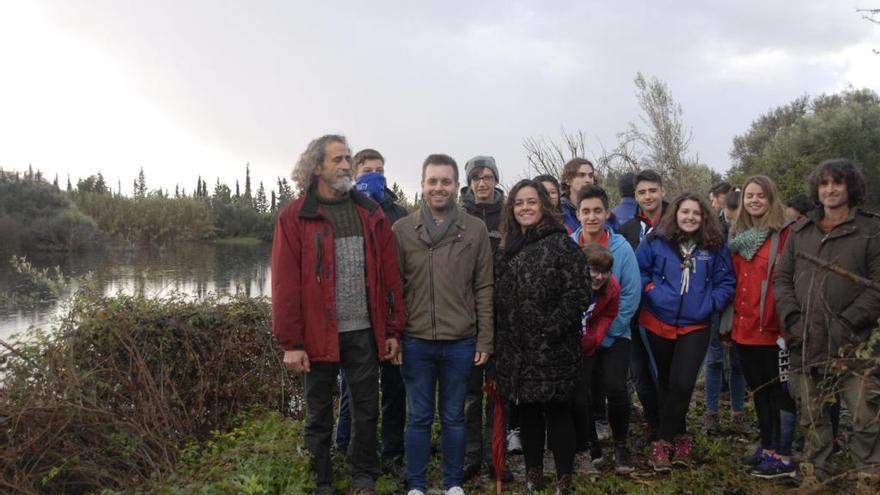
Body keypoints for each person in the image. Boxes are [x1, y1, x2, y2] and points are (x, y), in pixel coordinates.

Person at [271, 135, 405, 495]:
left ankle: (363, 475)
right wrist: (292, 342)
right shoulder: (295, 216)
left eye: (348, 159)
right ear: (317, 167)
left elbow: (390, 277)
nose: (346, 165)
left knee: (366, 409)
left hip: (363, 331)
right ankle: (321, 480)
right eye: (338, 160)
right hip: (316, 336)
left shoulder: (371, 213)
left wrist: (392, 330)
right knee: (318, 415)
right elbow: (284, 286)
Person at [774, 159, 880, 490]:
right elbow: (782, 278)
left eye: (837, 183)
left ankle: (869, 476)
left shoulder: (870, 230)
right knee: (812, 413)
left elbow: (877, 286)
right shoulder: (800, 231)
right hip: (806, 338)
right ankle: (815, 474)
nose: (829, 189)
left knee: (865, 414)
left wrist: (849, 321)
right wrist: (792, 318)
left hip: (856, 343)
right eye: (823, 184)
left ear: (850, 187)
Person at [394, 154, 494, 495]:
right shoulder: (403, 230)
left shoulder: (475, 229)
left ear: (456, 186)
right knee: (418, 416)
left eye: (446, 181)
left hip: (461, 340)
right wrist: (393, 336)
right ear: (422, 185)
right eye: (432, 181)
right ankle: (417, 485)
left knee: (454, 416)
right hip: (416, 340)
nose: (439, 188)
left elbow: (484, 286)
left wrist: (485, 340)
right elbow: (393, 290)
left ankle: (453, 483)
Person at [492, 179, 591, 495]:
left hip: (553, 347)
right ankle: (534, 475)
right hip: (516, 348)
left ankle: (564, 480)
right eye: (519, 203)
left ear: (544, 206)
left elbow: (579, 292)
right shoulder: (506, 250)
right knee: (529, 413)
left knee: (558, 412)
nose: (525, 208)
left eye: (531, 201)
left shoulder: (562, 244)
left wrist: (552, 328)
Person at [636, 192, 735, 472]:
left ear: (704, 217)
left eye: (696, 213)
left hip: (696, 324)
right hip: (658, 320)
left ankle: (662, 443)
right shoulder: (656, 241)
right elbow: (639, 270)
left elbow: (726, 281)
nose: (690, 217)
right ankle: (681, 438)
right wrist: (653, 292)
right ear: (675, 215)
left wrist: (710, 303)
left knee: (682, 383)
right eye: (685, 212)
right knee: (666, 382)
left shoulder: (715, 247)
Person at [335, 148, 409, 478]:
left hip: (392, 318)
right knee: (354, 390)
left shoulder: (399, 214)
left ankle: (392, 451)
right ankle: (346, 447)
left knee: (395, 389)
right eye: (367, 170)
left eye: (379, 169)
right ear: (354, 171)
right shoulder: (342, 209)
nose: (374, 174)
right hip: (357, 319)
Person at [727, 175, 798, 478]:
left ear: (771, 199)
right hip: (744, 327)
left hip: (772, 328)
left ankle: (784, 454)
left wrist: (788, 325)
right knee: (759, 391)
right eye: (749, 196)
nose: (754, 201)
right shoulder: (739, 236)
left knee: (781, 392)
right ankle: (767, 447)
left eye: (761, 196)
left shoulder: (785, 234)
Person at [570, 184, 640, 472]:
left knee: (615, 386)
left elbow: (631, 294)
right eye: (586, 211)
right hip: (580, 334)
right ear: (578, 214)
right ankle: (590, 443)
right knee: (581, 391)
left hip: (615, 332)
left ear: (607, 213)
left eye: (597, 210)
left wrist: (607, 333)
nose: (591, 216)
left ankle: (621, 445)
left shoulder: (621, 248)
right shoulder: (570, 245)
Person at [458, 155, 510, 482]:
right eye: (477, 177)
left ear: (495, 180)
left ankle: (496, 457)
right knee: (469, 392)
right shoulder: (457, 216)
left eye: (489, 176)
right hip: (465, 317)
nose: (483, 183)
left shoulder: (508, 217)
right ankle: (470, 455)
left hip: (502, 314)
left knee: (497, 390)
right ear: (469, 182)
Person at [619, 169, 667, 438]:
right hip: (635, 313)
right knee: (640, 375)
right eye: (642, 192)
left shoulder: (677, 221)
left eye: (652, 190)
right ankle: (653, 420)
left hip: (667, 313)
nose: (648, 196)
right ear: (635, 196)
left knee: (664, 373)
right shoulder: (627, 229)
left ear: (662, 191)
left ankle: (671, 426)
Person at [572, 244, 620, 476]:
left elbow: (609, 313)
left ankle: (589, 446)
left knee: (582, 398)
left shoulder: (612, 288)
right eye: (593, 270)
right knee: (569, 399)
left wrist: (595, 337)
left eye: (604, 271)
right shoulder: (571, 282)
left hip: (587, 347)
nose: (599, 277)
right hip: (564, 347)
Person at [703, 186, 747, 435]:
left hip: (741, 305)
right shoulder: (717, 235)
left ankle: (738, 412)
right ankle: (712, 413)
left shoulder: (755, 236)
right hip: (719, 303)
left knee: (738, 360)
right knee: (715, 358)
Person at [560, 158, 596, 232]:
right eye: (582, 175)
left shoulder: (601, 207)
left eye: (590, 175)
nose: (588, 180)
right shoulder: (559, 212)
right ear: (568, 180)